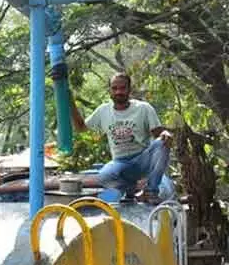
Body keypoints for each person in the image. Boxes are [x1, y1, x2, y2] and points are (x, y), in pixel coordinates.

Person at [69, 72, 175, 201]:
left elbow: (159, 135)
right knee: (104, 176)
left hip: (142, 159)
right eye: (114, 88)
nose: (118, 92)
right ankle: (130, 190)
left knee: (162, 143)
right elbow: (81, 127)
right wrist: (70, 102)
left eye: (122, 88)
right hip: (120, 162)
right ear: (110, 90)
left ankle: (151, 191)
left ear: (129, 89)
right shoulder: (103, 110)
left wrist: (166, 134)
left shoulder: (143, 108)